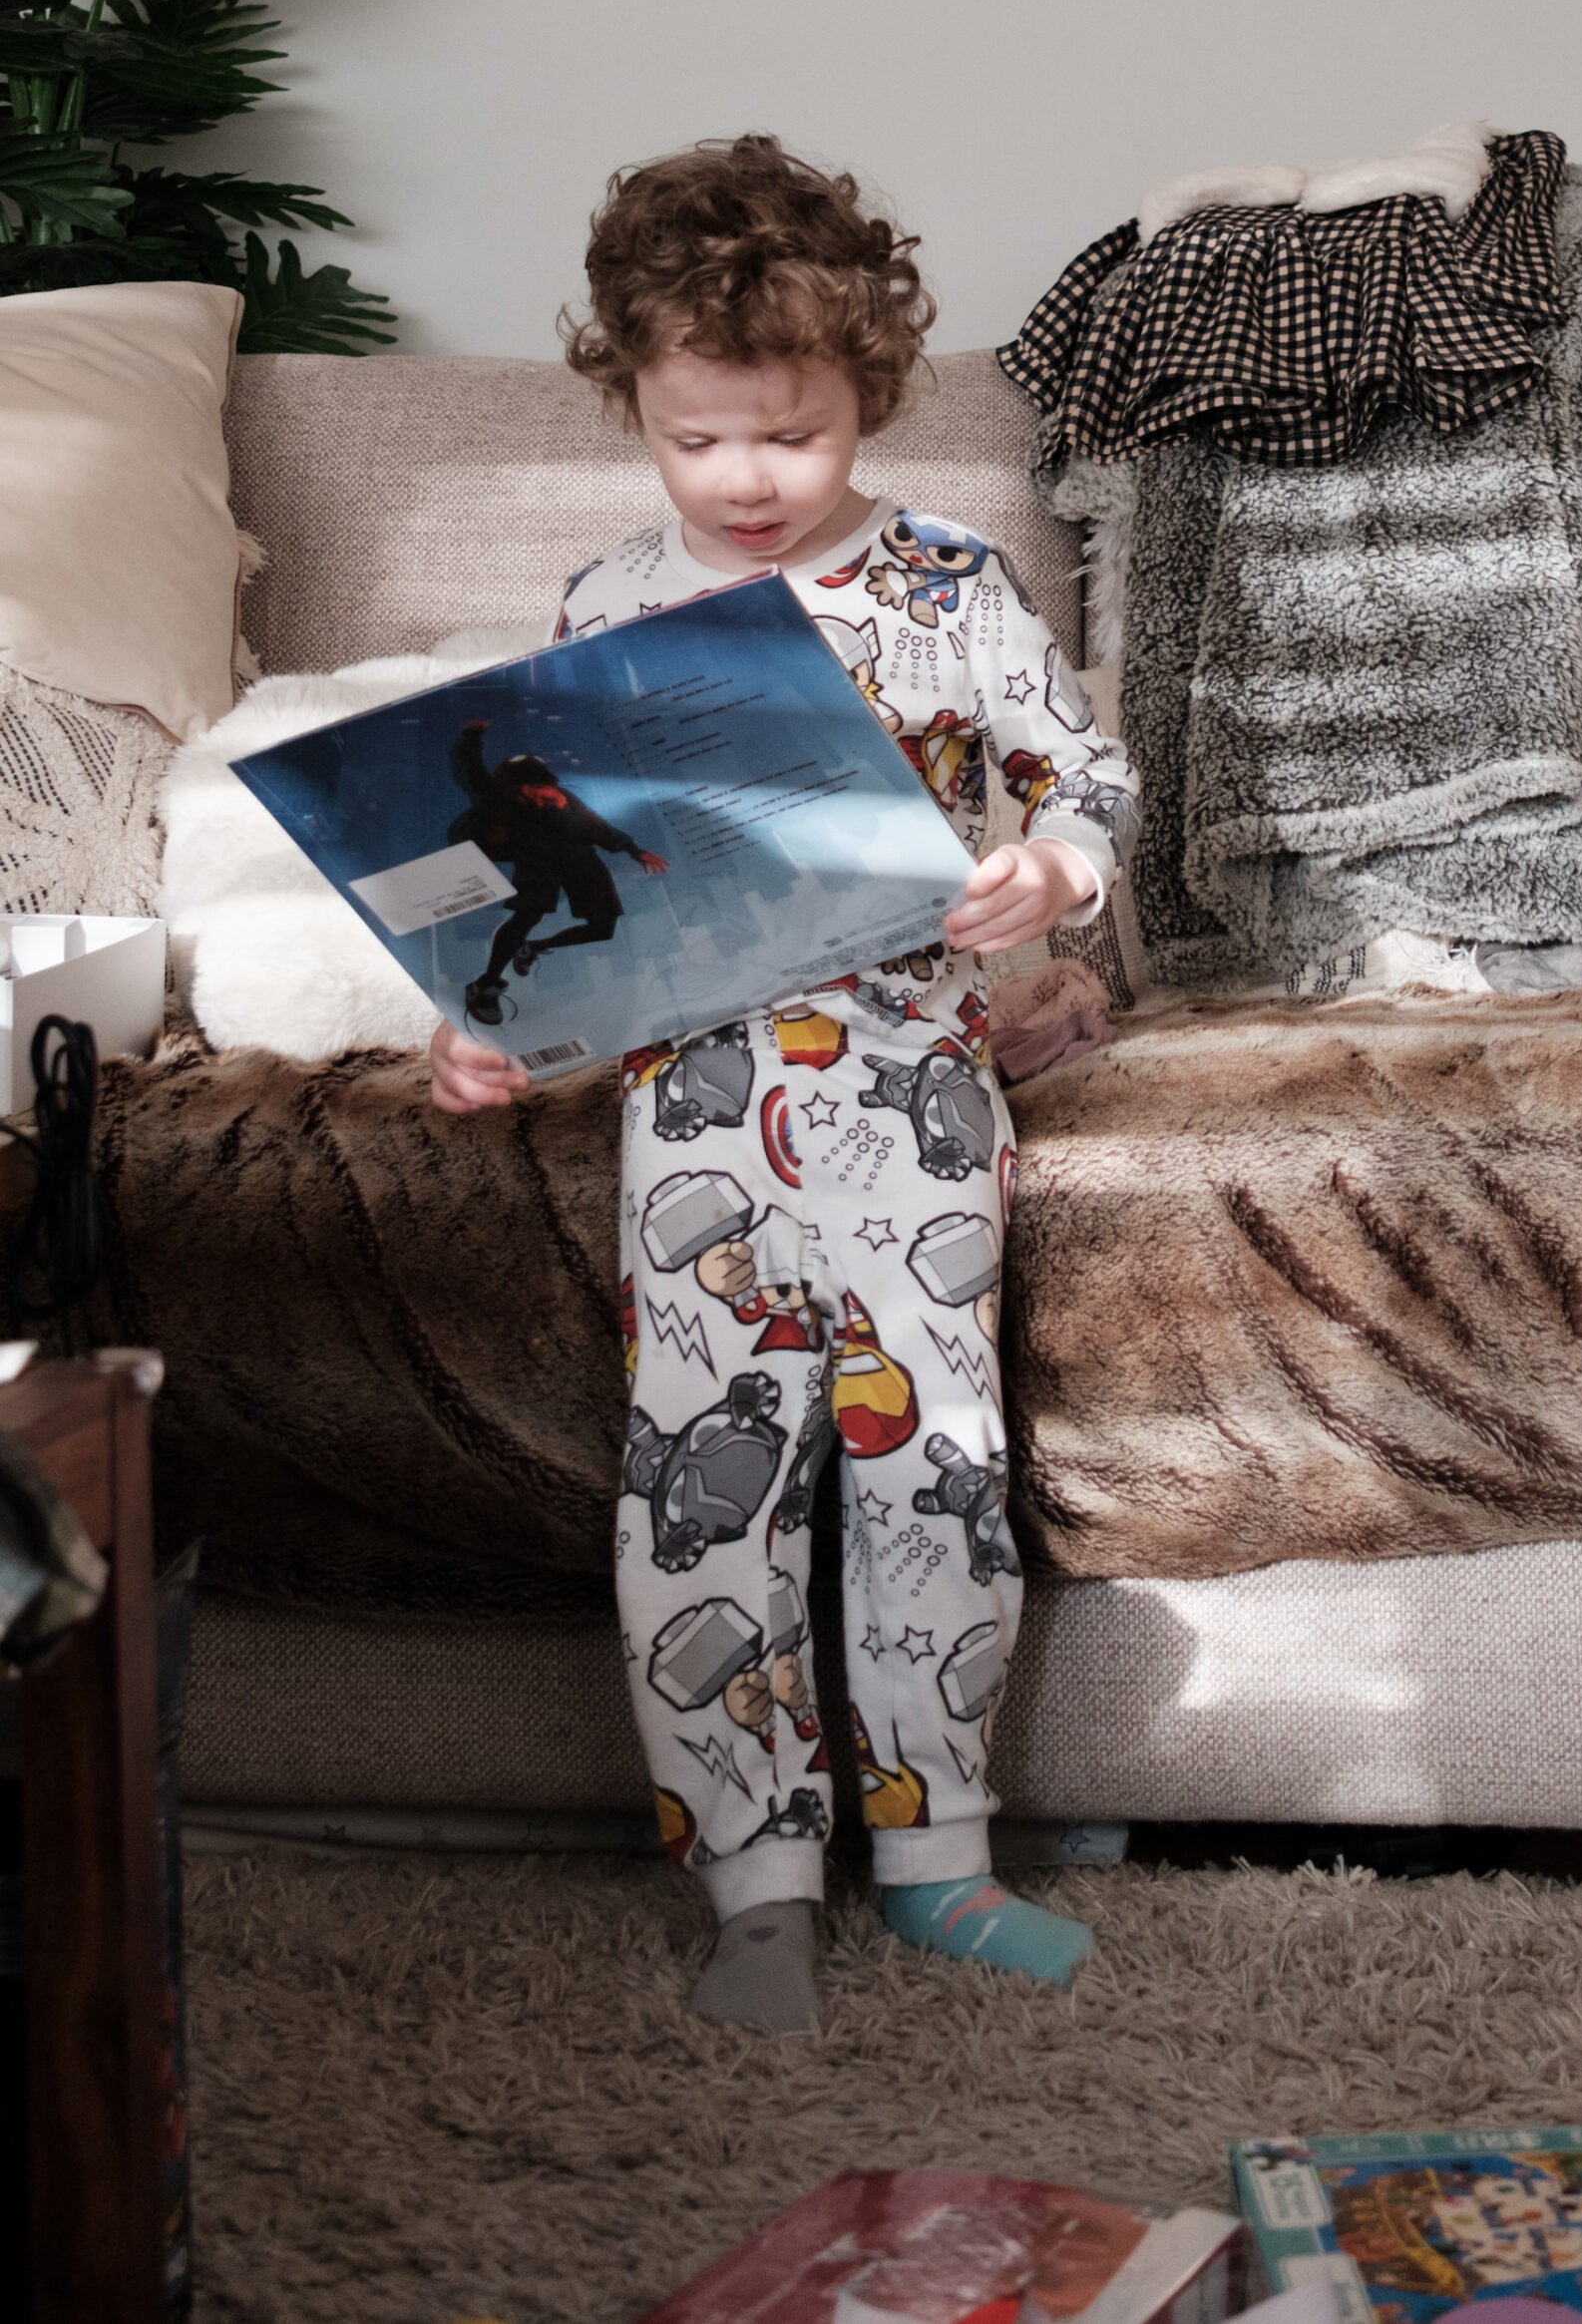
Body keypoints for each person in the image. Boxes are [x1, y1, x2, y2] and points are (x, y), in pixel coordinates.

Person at [429, 136, 1137, 2041]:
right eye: (699, 440)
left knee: (936, 1468)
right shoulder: (603, 606)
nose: (747, 478)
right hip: (695, 1119)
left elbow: (1084, 779)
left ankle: (938, 1861)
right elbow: (544, 877)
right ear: (634, 408)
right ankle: (751, 1880)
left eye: (794, 436)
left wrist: (1050, 873)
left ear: (870, 395)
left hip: (916, 1099)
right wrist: (488, 1021)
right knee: (696, 1491)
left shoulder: (948, 584)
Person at [444, 725, 668, 1031]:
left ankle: (533, 947)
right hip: (536, 858)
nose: (546, 797)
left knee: (602, 927)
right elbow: (470, 772)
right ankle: (485, 985)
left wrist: (635, 851)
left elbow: (599, 828)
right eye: (534, 790)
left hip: (577, 856)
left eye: (546, 789)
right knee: (527, 915)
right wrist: (471, 738)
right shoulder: (498, 797)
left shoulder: (565, 800)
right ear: (520, 786)